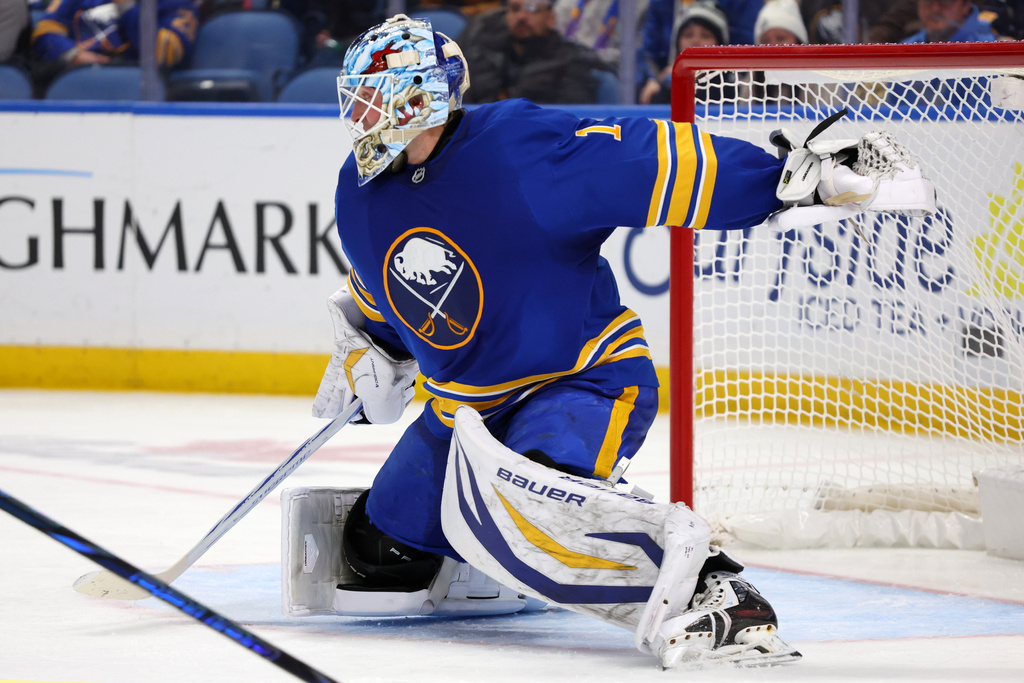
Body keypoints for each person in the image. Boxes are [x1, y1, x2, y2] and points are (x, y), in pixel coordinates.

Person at [307, 13, 934, 668]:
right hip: (464, 410)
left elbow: (648, 160)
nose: (362, 115)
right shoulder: (359, 194)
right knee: (382, 550)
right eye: (356, 99)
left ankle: (712, 587)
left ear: (424, 96)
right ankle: (505, 553)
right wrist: (368, 346)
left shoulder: (520, 150)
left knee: (535, 506)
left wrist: (780, 179)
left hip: (580, 380)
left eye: (377, 97)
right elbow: (386, 291)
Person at [458, 0, 608, 104]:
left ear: (551, 18)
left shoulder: (570, 62)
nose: (522, 16)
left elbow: (571, 115)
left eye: (533, 9)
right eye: (515, 9)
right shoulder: (482, 52)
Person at [31, 0, 199, 76]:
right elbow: (45, 30)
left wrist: (126, 7)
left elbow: (165, 52)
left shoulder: (178, 3)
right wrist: (73, 55)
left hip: (134, 81)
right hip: (77, 74)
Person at [638, 0, 728, 105]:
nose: (696, 41)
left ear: (720, 43)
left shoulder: (731, 84)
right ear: (677, 43)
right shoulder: (664, 85)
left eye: (705, 36)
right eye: (688, 35)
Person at [553, 0, 649, 68]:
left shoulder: (644, 5)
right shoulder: (567, 3)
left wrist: (593, 57)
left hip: (606, 68)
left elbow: (636, 54)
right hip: (563, 61)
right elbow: (553, 29)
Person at [902, 0, 996, 42]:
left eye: (945, 1)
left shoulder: (990, 48)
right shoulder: (905, 47)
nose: (935, 9)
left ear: (966, 5)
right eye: (928, 1)